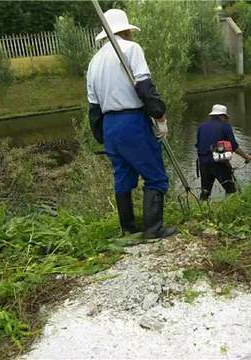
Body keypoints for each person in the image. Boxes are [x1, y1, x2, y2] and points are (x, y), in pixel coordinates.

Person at [86, 9, 176, 239]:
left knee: (123, 178)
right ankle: (153, 229)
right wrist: (160, 117)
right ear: (126, 30)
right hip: (131, 122)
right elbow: (144, 87)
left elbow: (94, 109)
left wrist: (103, 138)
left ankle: (128, 228)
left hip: (109, 126)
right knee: (155, 175)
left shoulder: (94, 62)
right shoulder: (130, 49)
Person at [195, 104, 251, 200]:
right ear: (222, 116)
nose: (226, 119)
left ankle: (201, 211)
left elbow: (198, 145)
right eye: (225, 117)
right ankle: (230, 210)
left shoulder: (201, 126)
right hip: (219, 163)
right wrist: (246, 157)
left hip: (203, 162)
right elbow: (234, 146)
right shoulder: (225, 127)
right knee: (231, 190)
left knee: (205, 192)